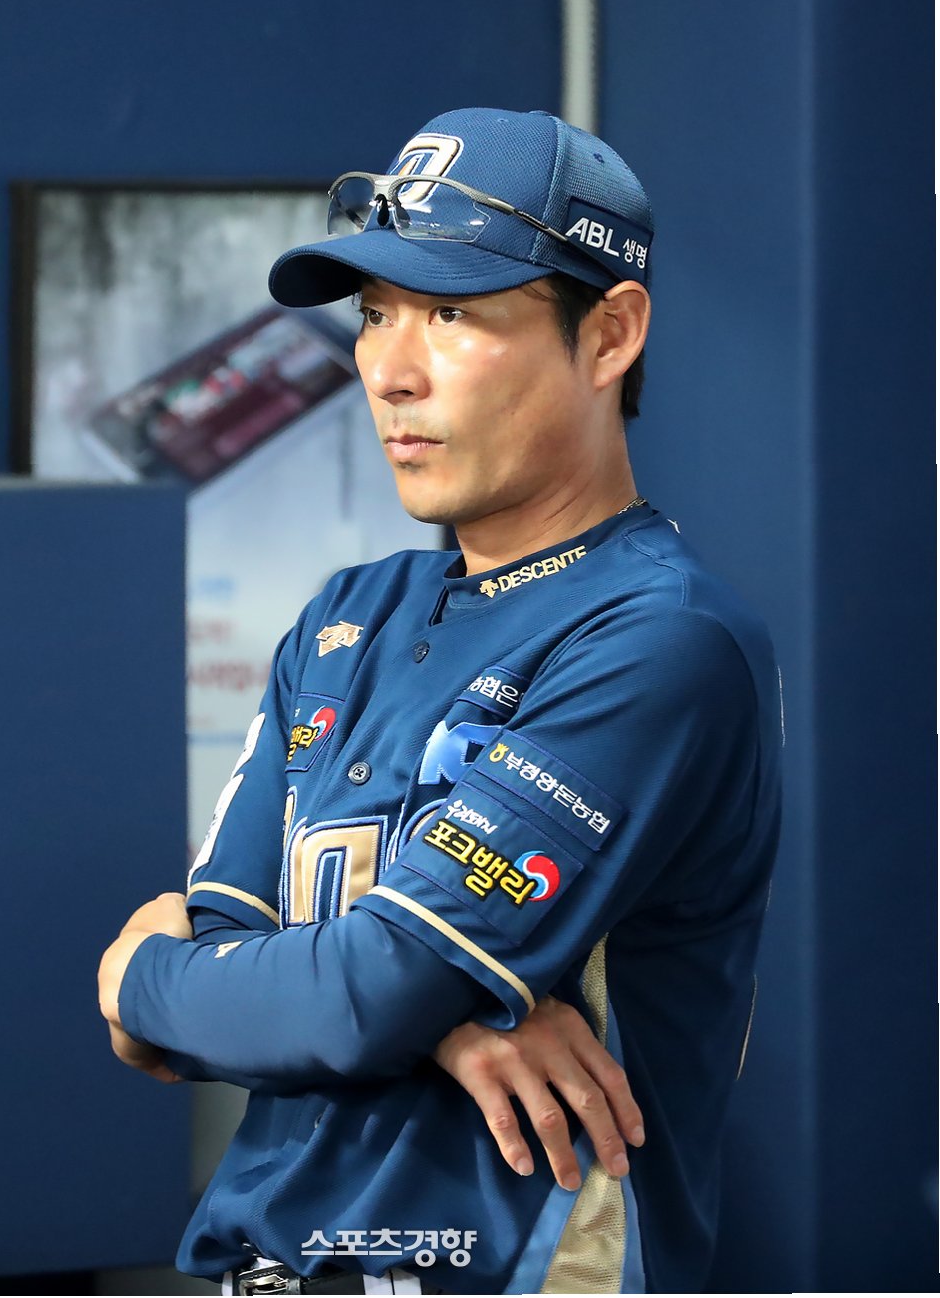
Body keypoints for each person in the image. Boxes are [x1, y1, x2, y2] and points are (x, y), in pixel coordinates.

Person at [98, 107, 781, 1295]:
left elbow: (344, 998)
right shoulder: (346, 614)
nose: (390, 371)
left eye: (454, 315)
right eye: (376, 314)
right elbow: (241, 962)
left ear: (610, 334)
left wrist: (135, 974)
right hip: (262, 1264)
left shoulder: (659, 636)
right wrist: (441, 1015)